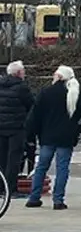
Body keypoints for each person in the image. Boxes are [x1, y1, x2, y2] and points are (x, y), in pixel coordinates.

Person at [25, 65, 81, 210]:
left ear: (58, 77)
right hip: (67, 137)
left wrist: (31, 134)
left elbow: (35, 116)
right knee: (62, 168)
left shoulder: (46, 92)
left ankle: (34, 198)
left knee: (41, 167)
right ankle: (58, 200)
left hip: (47, 136)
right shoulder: (78, 94)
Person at [0, 60, 34, 199]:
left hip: (1, 127)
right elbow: (31, 105)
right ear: (19, 73)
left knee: (1, 158)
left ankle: (1, 188)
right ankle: (11, 189)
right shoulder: (21, 88)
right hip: (16, 128)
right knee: (14, 159)